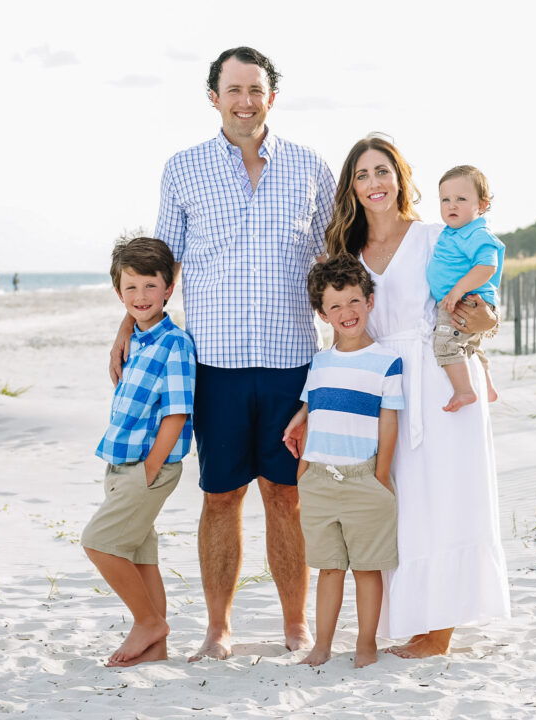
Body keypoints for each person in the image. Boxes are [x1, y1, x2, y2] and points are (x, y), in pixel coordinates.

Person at [109, 46, 335, 661]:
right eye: (233, 89)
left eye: (255, 89)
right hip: (215, 365)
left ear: (271, 96)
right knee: (221, 496)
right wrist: (127, 323)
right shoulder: (183, 169)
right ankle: (219, 629)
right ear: (214, 96)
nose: (245, 100)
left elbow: (330, 263)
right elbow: (159, 263)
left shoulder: (311, 168)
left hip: (292, 360)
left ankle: (296, 625)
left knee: (285, 496)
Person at [321, 135, 510, 657]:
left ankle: (440, 631)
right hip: (384, 384)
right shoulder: (348, 253)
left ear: (399, 177)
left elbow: (484, 303)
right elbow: (342, 329)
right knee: (401, 505)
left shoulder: (435, 236)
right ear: (352, 188)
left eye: (382, 171)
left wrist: (483, 319)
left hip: (440, 377)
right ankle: (416, 620)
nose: (374, 183)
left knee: (445, 499)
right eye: (362, 175)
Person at [282, 255, 403, 668]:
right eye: (334, 306)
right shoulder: (319, 362)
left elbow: (389, 423)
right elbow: (313, 412)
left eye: (354, 301)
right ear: (322, 314)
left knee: (367, 570)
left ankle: (366, 645)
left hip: (363, 480)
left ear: (369, 301)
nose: (346, 313)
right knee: (328, 569)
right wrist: (304, 471)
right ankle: (322, 647)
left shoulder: (387, 362)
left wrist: (381, 476)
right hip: (317, 480)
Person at [84, 237, 195, 667]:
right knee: (140, 554)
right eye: (131, 288)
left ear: (168, 288)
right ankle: (156, 649)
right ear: (119, 294)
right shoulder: (135, 340)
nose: (141, 296)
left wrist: (150, 470)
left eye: (150, 286)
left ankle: (149, 623)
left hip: (148, 467)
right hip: (120, 461)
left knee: (99, 543)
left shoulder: (175, 344)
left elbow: (176, 414)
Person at [427, 165, 505, 411]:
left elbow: (486, 266)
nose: (452, 205)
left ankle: (464, 390)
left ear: (481, 206)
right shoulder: (453, 232)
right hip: (461, 299)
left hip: (466, 301)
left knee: (446, 344)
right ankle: (488, 386)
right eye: (445, 199)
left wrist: (457, 291)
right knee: (470, 345)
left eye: (461, 199)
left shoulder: (477, 232)